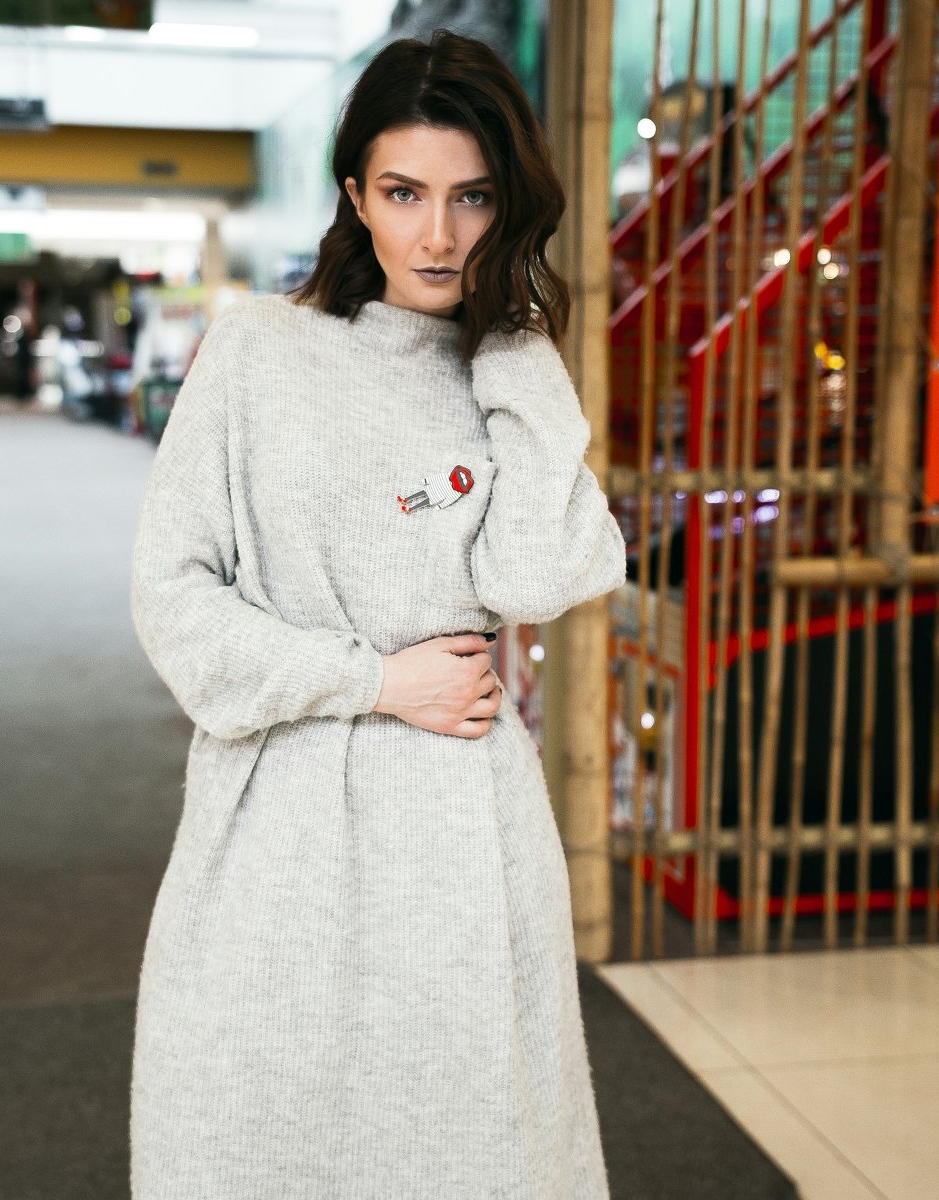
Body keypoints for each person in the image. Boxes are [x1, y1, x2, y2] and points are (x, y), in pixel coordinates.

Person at [128, 27, 625, 1199]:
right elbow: (173, 596)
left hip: (461, 828)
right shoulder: (258, 350)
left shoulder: (507, 371)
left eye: (472, 196)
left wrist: (519, 357)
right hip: (279, 819)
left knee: (470, 1148)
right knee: (256, 1136)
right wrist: (375, 680)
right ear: (355, 195)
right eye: (405, 193)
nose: (438, 235)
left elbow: (534, 575)